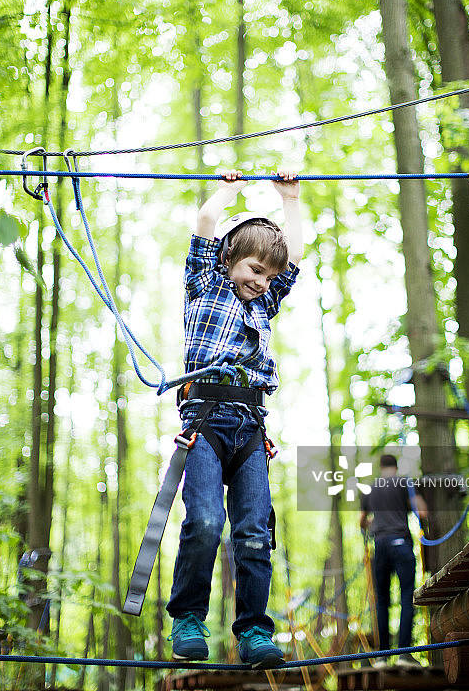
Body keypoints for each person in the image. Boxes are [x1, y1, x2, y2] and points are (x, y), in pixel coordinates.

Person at [166, 168, 303, 668]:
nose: (260, 282)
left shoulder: (264, 302)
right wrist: (229, 191)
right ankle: (187, 618)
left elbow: (294, 257)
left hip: (249, 427)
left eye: (268, 276)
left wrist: (289, 199)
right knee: (204, 521)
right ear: (228, 258)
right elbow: (206, 222)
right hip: (204, 421)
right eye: (254, 269)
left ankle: (253, 631)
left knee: (253, 532)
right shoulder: (204, 285)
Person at [359, 454, 428, 669]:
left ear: (381, 467)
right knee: (407, 596)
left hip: (380, 545)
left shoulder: (371, 488)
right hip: (401, 542)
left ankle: (382, 657)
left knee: (382, 600)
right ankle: (404, 654)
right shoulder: (404, 483)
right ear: (395, 467)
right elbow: (422, 511)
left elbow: (362, 521)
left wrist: (376, 524)